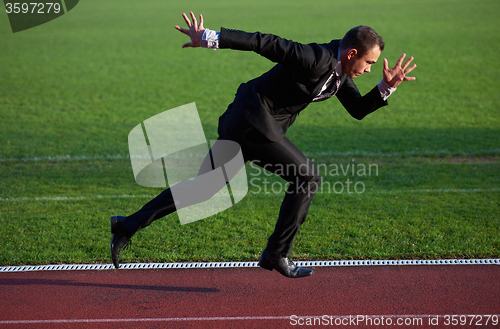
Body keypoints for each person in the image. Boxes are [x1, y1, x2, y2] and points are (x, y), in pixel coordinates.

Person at [111, 12, 416, 278]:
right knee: (307, 178)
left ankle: (126, 226)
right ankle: (276, 253)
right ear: (351, 53)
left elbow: (358, 110)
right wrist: (210, 37)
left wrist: (386, 87)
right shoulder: (314, 57)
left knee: (204, 187)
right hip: (253, 122)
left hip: (246, 122)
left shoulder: (339, 77)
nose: (370, 69)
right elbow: (264, 42)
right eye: (370, 62)